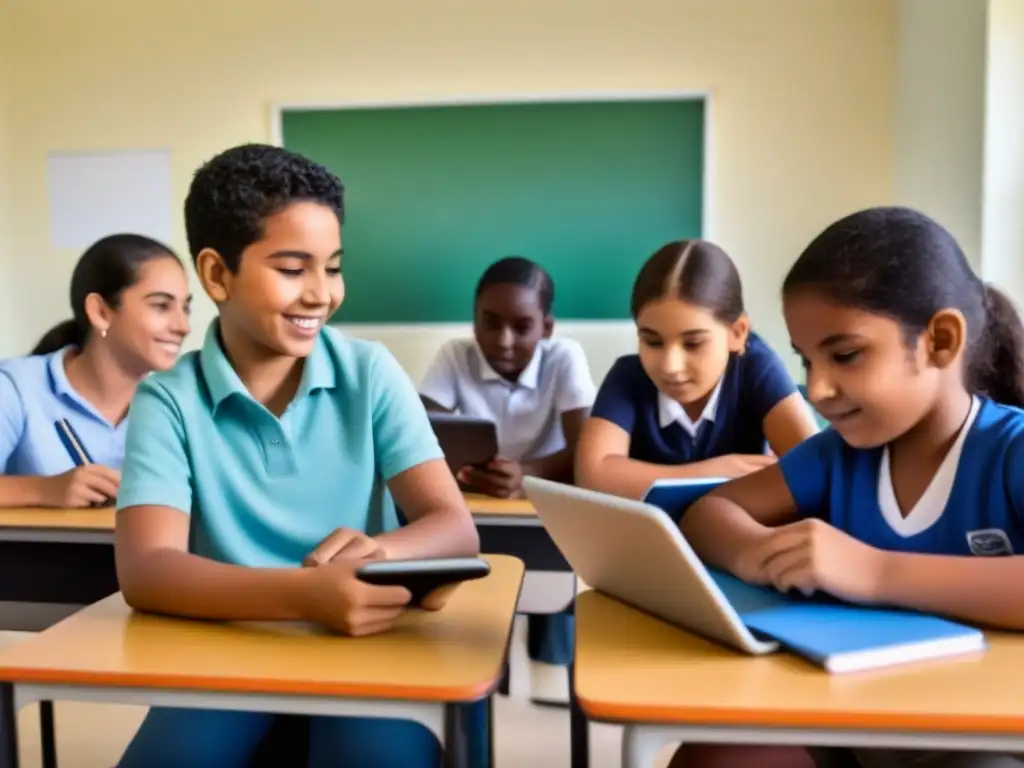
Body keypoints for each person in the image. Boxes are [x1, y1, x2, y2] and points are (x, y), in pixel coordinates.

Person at [114, 143, 483, 768]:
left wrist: (380, 555)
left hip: (367, 645)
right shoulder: (167, 399)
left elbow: (454, 526)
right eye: (292, 268)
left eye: (333, 267)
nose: (322, 293)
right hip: (223, 651)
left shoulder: (370, 372)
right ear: (215, 274)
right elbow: (147, 569)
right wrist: (305, 595)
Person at [673, 206, 1024, 768]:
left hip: (980, 742)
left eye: (845, 355)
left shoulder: (1011, 449)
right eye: (806, 361)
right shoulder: (837, 455)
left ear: (940, 339)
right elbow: (709, 512)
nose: (817, 388)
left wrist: (872, 571)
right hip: (847, 725)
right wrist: (759, 553)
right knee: (718, 754)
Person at [419, 255, 596, 706]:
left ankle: (548, 670)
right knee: (471, 582)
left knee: (554, 582)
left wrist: (527, 475)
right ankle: (477, 664)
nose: (503, 340)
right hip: (480, 501)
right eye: (489, 322)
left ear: (547, 327)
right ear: (473, 319)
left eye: (522, 326)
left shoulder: (564, 357)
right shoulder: (454, 356)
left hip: (543, 500)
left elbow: (590, 453)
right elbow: (419, 435)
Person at [576, 239, 819, 501]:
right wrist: (714, 474)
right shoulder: (628, 376)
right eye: (652, 341)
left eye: (693, 343)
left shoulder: (756, 366)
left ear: (737, 333)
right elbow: (592, 476)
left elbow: (818, 470)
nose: (670, 366)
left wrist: (636, 479)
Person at [0, 234, 191, 508]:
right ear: (101, 312)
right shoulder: (15, 386)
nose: (183, 326)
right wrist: (43, 490)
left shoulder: (177, 404)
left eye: (186, 307)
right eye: (161, 305)